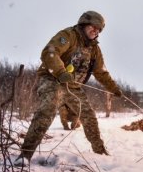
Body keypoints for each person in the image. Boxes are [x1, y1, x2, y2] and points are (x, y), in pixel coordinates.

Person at [14, 11, 122, 167]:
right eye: (93, 27)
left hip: (73, 87)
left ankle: (101, 154)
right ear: (84, 24)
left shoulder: (94, 49)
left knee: (89, 117)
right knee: (48, 110)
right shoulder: (68, 35)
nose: (96, 31)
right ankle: (25, 155)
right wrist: (61, 72)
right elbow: (50, 52)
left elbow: (101, 72)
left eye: (99, 29)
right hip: (53, 80)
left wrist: (114, 88)